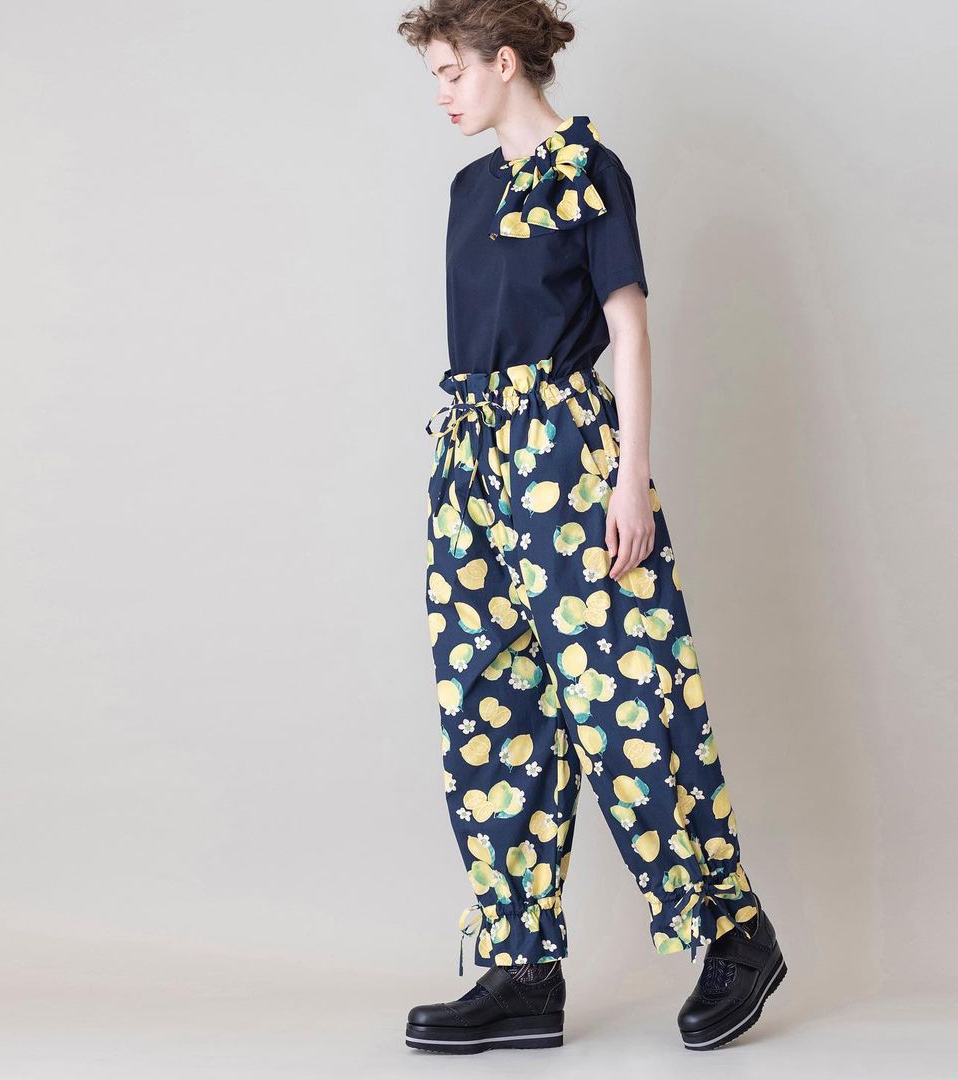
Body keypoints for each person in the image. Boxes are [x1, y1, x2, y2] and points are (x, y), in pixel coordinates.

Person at [396, 0, 787, 1056]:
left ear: (504, 61)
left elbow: (629, 334)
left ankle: (736, 933)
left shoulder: (591, 172)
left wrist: (631, 478)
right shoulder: (468, 190)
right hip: (472, 462)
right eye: (433, 77)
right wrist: (468, 476)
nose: (441, 94)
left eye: (450, 72)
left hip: (568, 457)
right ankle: (524, 969)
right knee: (489, 704)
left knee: (624, 700)